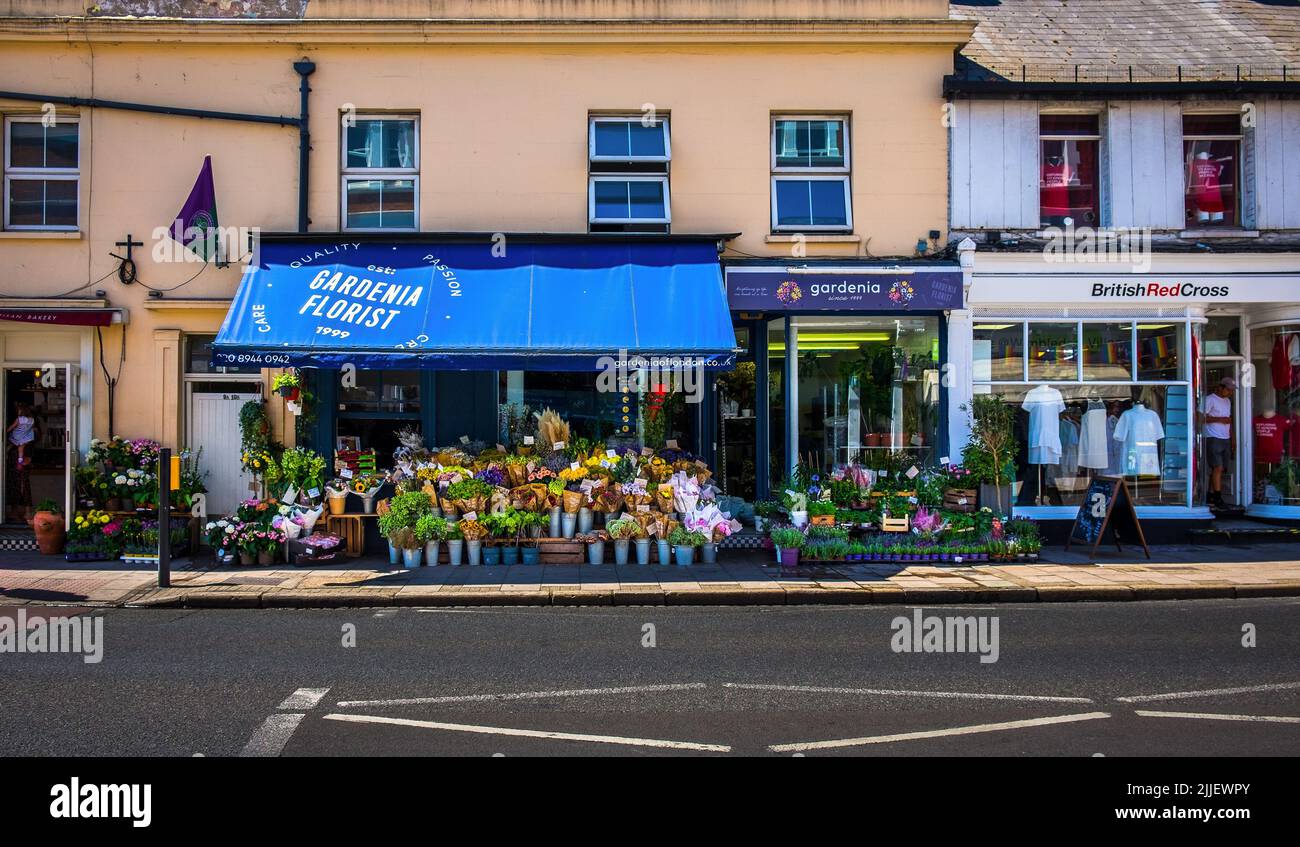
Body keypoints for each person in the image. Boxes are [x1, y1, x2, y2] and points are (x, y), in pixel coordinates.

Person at [1201, 377, 1235, 509]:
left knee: (1219, 469)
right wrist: (1219, 419)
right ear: (1220, 387)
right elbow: (1199, 417)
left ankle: (1210, 494)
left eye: (1232, 390)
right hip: (1212, 436)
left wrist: (1233, 439)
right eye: (1228, 389)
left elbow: (1229, 421)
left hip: (1225, 437)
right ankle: (1217, 498)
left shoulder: (1227, 401)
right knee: (1218, 467)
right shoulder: (1209, 399)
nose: (1230, 392)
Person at [6, 403, 37, 469]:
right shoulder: (32, 420)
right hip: (25, 437)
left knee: (11, 443)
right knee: (21, 449)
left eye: (19, 410)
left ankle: (6, 452)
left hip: (17, 436)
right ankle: (19, 462)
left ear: (22, 411)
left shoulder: (19, 419)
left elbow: (12, 427)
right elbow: (31, 428)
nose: (18, 411)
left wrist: (5, 431)